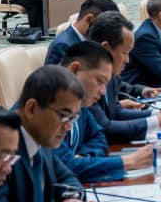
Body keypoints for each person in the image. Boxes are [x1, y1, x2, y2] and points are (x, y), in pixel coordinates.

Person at [0, 66, 109, 202]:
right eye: (64, 115)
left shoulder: (41, 137)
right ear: (31, 109)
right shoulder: (0, 148)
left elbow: (67, 177)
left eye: (73, 118)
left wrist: (71, 199)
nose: (68, 126)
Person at [56, 41, 153, 183]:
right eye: (99, 81)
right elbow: (63, 167)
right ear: (75, 70)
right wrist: (128, 162)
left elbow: (99, 135)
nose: (102, 91)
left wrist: (87, 157)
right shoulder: (47, 105)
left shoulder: (80, 101)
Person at [86, 12, 161, 144]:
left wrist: (159, 113)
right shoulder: (85, 81)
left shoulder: (110, 74)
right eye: (124, 53)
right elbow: (105, 128)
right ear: (105, 48)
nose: (127, 60)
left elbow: (116, 111)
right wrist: (157, 121)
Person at [45, 0, 118, 65]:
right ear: (90, 19)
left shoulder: (88, 41)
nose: (106, 36)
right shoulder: (63, 46)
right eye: (104, 29)